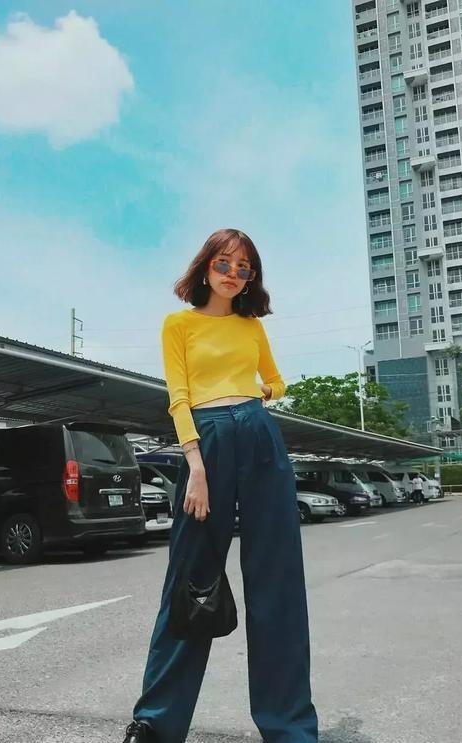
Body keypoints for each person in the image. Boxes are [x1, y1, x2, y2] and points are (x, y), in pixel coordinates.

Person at [123, 229, 318, 743]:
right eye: (224, 264)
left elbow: (277, 380)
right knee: (191, 578)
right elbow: (178, 397)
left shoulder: (252, 327)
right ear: (206, 267)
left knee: (277, 581)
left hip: (258, 435)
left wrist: (263, 391)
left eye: (243, 268)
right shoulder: (179, 324)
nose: (233, 274)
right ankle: (156, 723)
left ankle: (290, 727)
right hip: (205, 442)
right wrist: (196, 466)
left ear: (251, 278)